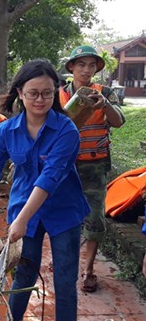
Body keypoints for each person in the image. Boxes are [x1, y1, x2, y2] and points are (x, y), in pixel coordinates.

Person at [0, 59, 90, 320]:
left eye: (47, 93)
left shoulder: (66, 130)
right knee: (23, 274)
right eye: (33, 93)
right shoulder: (5, 131)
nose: (40, 99)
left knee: (64, 280)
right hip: (23, 205)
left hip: (64, 211)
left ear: (55, 92)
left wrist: (22, 221)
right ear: (20, 93)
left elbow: (50, 178)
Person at [60, 45, 126, 293]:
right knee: (67, 216)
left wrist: (104, 105)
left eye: (91, 65)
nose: (86, 70)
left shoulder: (106, 92)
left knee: (95, 218)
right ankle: (66, 262)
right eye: (81, 65)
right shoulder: (59, 94)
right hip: (67, 165)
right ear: (72, 68)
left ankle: (88, 270)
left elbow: (119, 122)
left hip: (96, 166)